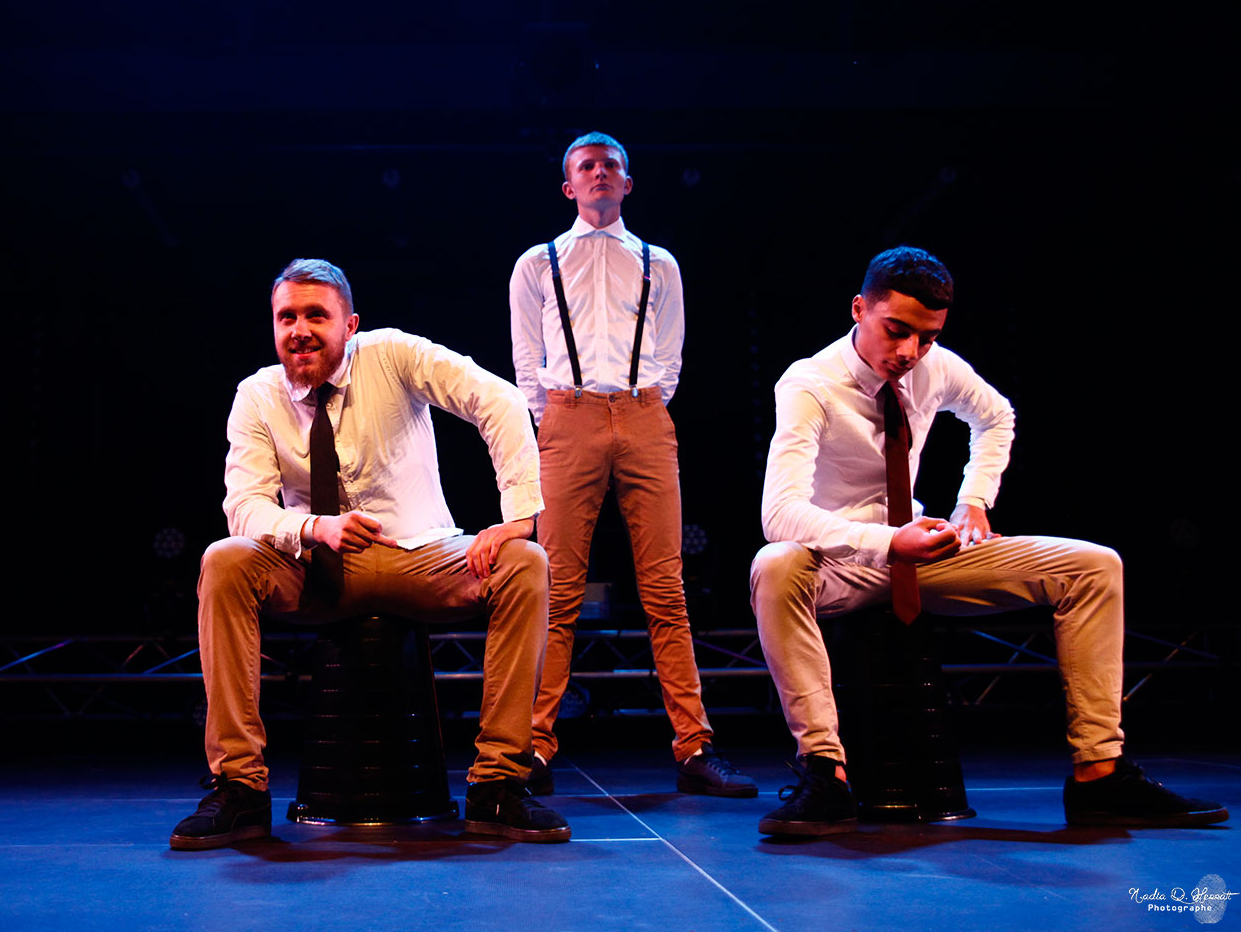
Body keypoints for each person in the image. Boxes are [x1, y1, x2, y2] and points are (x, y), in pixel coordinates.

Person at [750, 245, 1228, 836]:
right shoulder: (810, 383)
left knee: (1095, 565)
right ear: (859, 309)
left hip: (922, 551)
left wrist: (973, 501)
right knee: (774, 562)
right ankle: (825, 773)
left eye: (927, 337)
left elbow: (996, 416)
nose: (910, 352)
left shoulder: (935, 367)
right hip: (838, 562)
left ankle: (1099, 774)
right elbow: (781, 513)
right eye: (897, 331)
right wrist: (887, 542)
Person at [171, 258, 571, 848]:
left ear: (350, 324)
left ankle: (498, 782)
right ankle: (240, 787)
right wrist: (315, 528)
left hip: (418, 555)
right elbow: (245, 506)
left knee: (525, 565)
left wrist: (517, 518)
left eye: (316, 316)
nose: (300, 330)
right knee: (224, 559)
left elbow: (500, 401)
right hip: (314, 565)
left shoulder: (394, 354)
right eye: (287, 317)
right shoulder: (257, 395)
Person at [509, 132, 755, 797]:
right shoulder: (538, 262)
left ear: (627, 182)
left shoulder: (658, 263)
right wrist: (559, 416)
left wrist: (640, 407)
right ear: (569, 186)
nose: (599, 173)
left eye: (610, 165)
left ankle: (694, 746)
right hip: (568, 414)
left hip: (644, 414)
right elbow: (526, 357)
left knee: (666, 588)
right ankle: (534, 747)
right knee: (557, 587)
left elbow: (670, 356)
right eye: (587, 167)